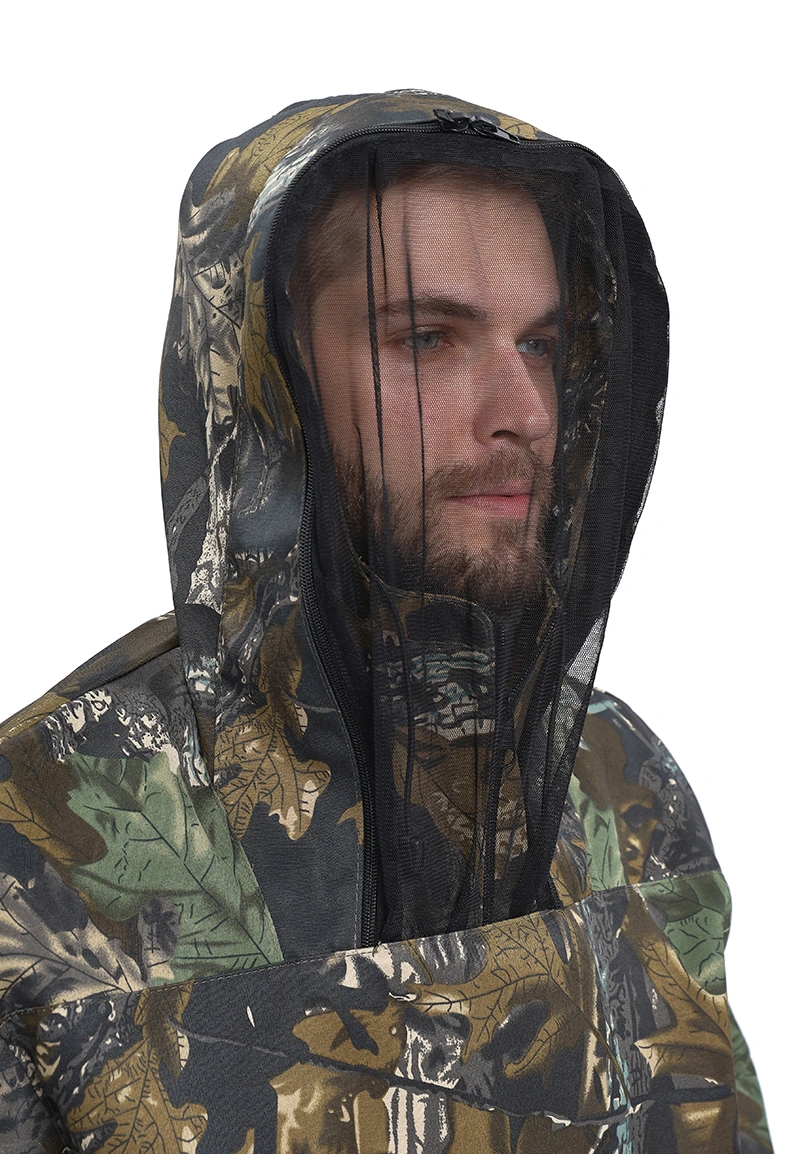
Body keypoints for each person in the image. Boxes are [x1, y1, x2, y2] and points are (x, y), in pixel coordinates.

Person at [0, 91, 771, 1153]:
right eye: (428, 338)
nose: (525, 412)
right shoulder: (40, 837)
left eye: (542, 344)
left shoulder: (618, 782)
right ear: (267, 379)